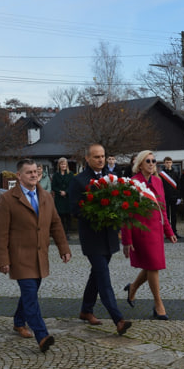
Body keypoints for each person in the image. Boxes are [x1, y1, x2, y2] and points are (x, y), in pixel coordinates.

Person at [0, 159, 71, 352]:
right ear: (19, 176)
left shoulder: (46, 196)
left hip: (40, 255)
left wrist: (63, 248)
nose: (33, 175)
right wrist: (3, 259)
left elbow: (55, 224)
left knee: (31, 292)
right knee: (30, 294)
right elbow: (1, 232)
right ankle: (42, 335)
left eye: (35, 171)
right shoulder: (7, 199)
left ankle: (19, 321)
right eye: (28, 172)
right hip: (20, 256)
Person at [68, 143, 132, 335]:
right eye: (96, 157)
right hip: (92, 237)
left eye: (103, 156)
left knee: (96, 274)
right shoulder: (79, 181)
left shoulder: (112, 179)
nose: (101, 160)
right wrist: (96, 213)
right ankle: (118, 319)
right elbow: (75, 209)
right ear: (87, 158)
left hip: (109, 235)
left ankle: (86, 310)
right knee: (103, 277)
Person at [121, 150, 177, 320]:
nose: (152, 164)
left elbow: (163, 209)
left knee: (151, 264)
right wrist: (127, 240)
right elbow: (126, 213)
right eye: (148, 161)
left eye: (154, 161)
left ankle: (133, 288)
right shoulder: (133, 183)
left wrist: (169, 231)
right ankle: (159, 304)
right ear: (139, 164)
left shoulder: (158, 182)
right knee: (153, 266)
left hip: (157, 230)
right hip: (141, 231)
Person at [158, 157, 180, 238]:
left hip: (174, 197)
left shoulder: (176, 173)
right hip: (165, 197)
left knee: (174, 215)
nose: (168, 164)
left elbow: (178, 186)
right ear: (164, 163)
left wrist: (179, 197)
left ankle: (174, 231)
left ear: (172, 163)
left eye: (170, 162)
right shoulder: (161, 174)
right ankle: (167, 232)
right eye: (166, 162)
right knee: (166, 216)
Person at [51, 157, 74, 235]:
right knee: (61, 216)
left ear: (66, 165)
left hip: (67, 198)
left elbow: (72, 185)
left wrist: (66, 192)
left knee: (68, 216)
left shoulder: (70, 174)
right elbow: (53, 186)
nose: (63, 165)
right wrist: (59, 191)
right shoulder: (56, 175)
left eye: (64, 164)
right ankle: (62, 232)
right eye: (62, 164)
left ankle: (68, 232)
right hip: (59, 198)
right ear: (59, 165)